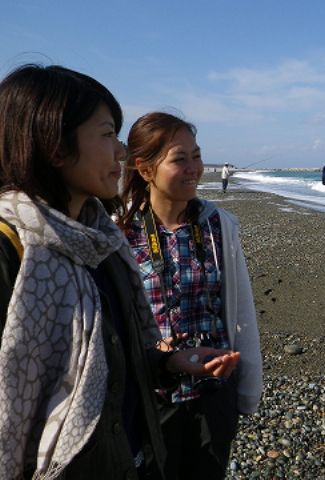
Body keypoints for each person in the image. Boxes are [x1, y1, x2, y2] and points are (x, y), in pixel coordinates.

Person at [0, 64, 235, 479]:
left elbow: (117, 359)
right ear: (56, 147)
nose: (120, 152)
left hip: (132, 457)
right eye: (108, 135)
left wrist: (166, 365)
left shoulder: (102, 243)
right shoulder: (12, 249)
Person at [119, 112, 263, 479]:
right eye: (179, 159)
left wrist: (247, 389)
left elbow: (242, 311)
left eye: (196, 156)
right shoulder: (119, 232)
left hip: (215, 393)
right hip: (150, 397)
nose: (193, 168)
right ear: (145, 169)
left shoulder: (218, 226)